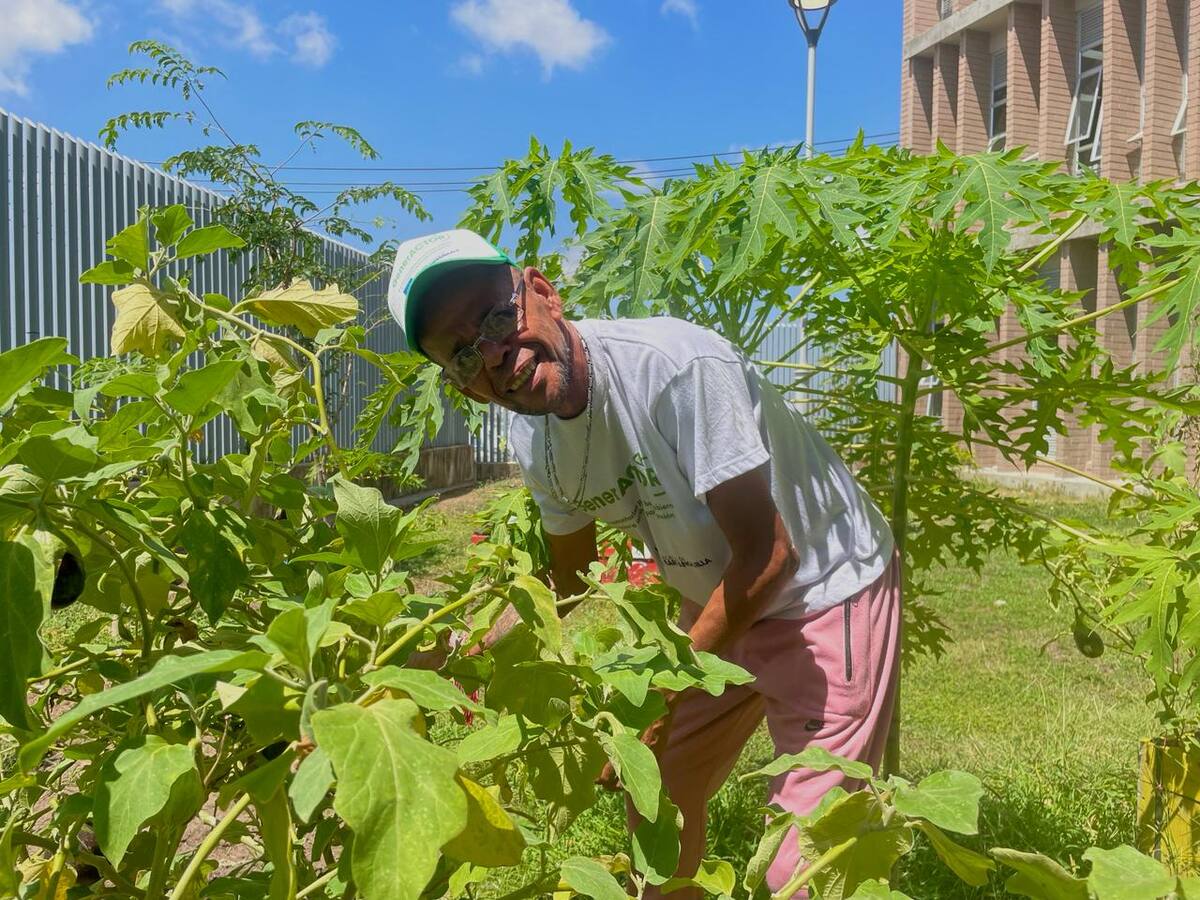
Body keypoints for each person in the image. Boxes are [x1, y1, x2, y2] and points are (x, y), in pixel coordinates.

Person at [387, 229, 902, 898]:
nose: (493, 355)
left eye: (496, 318)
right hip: (720, 597)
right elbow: (565, 586)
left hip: (823, 590)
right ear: (464, 386)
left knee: (804, 864)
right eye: (462, 356)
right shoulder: (532, 434)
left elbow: (770, 555)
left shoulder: (674, 366)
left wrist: (659, 697)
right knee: (655, 795)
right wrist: (455, 654)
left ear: (542, 293)